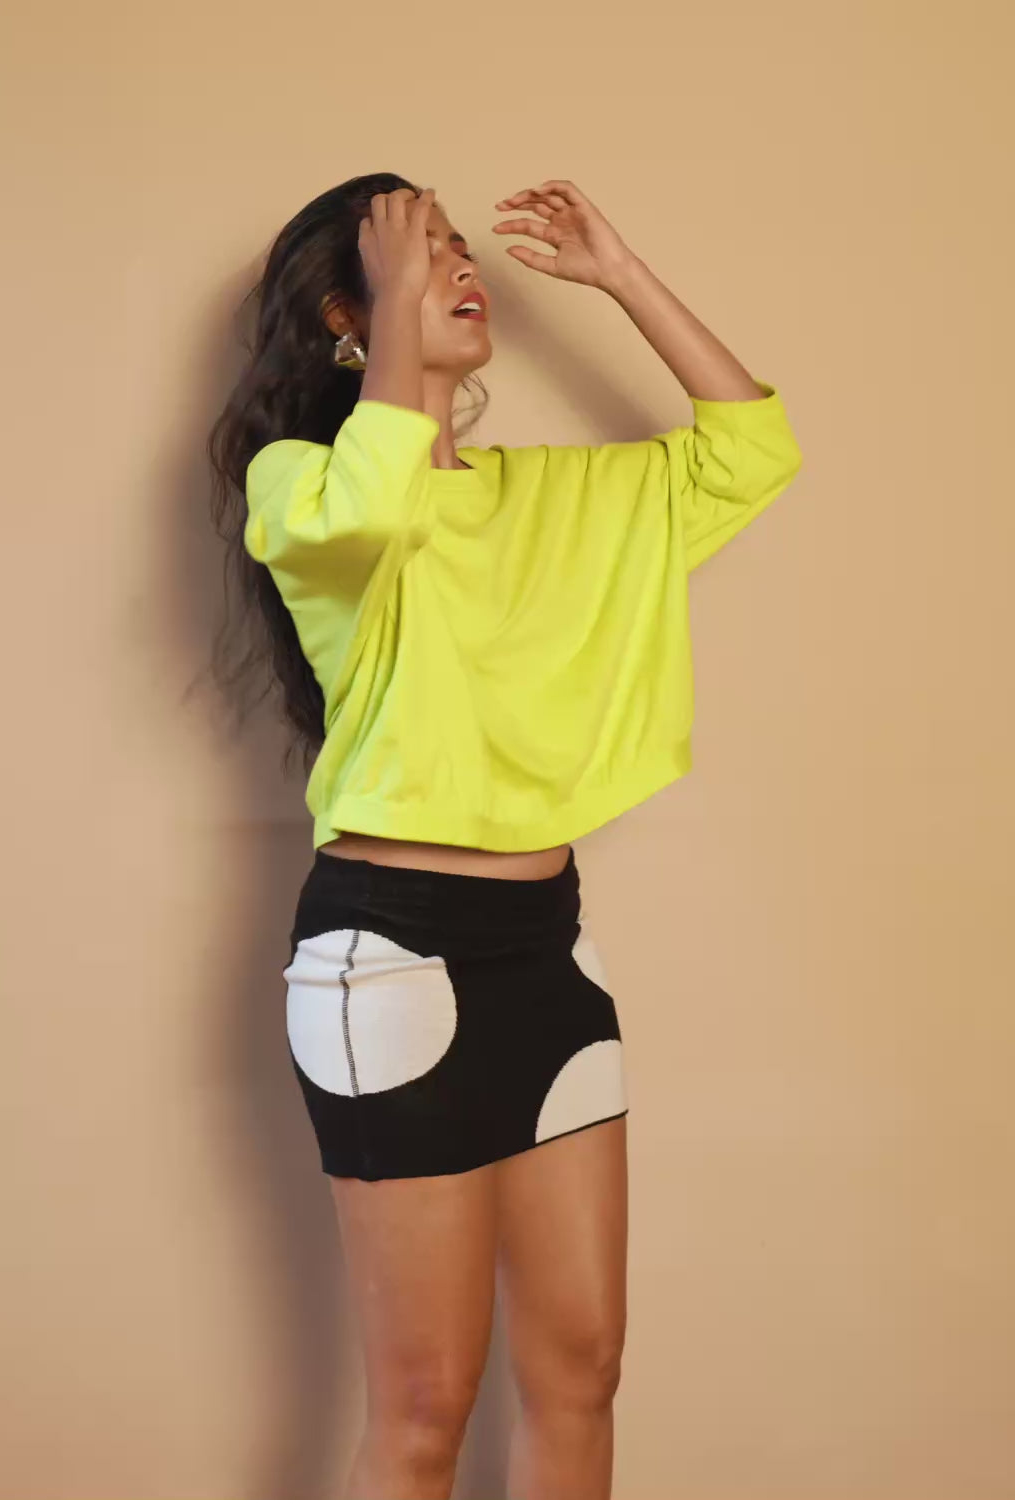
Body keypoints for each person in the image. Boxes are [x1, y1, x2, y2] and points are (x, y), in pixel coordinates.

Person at [207, 172, 803, 1500]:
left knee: (582, 1370)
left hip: (548, 956)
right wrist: (398, 328)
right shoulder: (302, 484)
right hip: (387, 964)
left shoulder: (555, 499)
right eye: (417, 254)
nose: (461, 270)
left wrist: (621, 273)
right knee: (425, 1405)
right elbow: (377, 508)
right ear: (346, 316)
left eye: (460, 249)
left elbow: (752, 450)